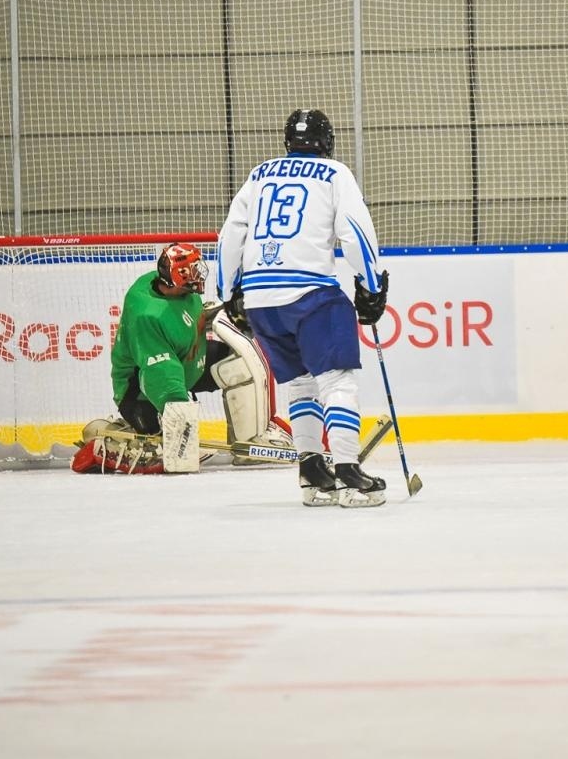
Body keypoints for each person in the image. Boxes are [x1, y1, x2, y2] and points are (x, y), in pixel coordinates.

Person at [217, 108, 391, 507]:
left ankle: (313, 474)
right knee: (338, 380)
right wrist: (370, 283)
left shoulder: (259, 173)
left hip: (261, 300)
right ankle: (348, 473)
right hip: (309, 293)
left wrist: (229, 290)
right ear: (327, 142)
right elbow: (356, 230)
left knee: (300, 385)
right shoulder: (335, 174)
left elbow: (231, 233)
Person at [74, 241, 292, 474]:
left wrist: (220, 310)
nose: (200, 273)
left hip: (186, 364)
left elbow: (189, 317)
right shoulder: (148, 315)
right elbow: (162, 373)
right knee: (157, 447)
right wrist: (182, 427)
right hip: (143, 391)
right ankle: (107, 439)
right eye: (194, 269)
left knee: (236, 363)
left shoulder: (177, 290)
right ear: (179, 275)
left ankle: (251, 437)